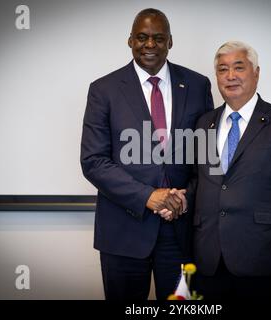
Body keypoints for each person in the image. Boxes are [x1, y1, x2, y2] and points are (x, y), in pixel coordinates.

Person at [80, 8, 213, 300]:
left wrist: (184, 198)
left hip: (182, 232)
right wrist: (148, 197)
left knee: (183, 306)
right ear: (130, 41)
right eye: (141, 37)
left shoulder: (198, 85)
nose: (149, 45)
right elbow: (93, 161)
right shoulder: (104, 90)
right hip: (123, 232)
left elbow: (207, 159)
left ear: (170, 42)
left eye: (158, 38)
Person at [187, 41, 271, 300]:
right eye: (222, 70)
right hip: (209, 258)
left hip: (262, 256)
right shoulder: (203, 123)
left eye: (238, 67)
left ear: (256, 73)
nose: (230, 76)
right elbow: (199, 181)